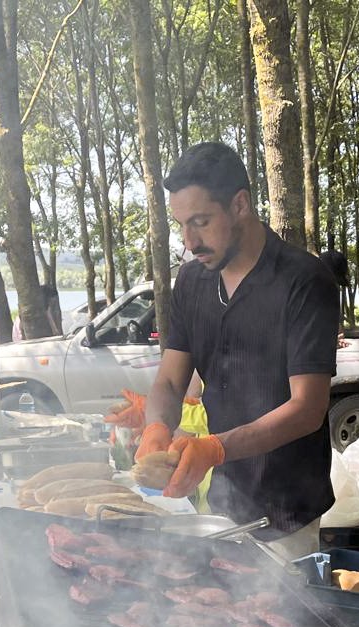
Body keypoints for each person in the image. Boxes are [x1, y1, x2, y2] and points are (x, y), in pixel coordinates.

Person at [136, 142, 340, 561]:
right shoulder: (192, 283)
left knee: (276, 622)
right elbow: (171, 381)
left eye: (202, 222)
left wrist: (216, 448)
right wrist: (156, 426)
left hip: (288, 513)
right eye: (182, 226)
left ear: (240, 204)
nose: (190, 242)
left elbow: (307, 408)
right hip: (221, 506)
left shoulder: (304, 281)